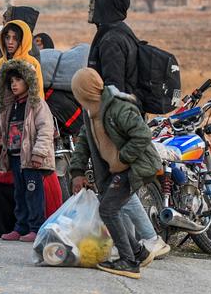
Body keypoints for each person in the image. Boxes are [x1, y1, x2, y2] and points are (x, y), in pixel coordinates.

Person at [87, 0, 170, 258]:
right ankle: (139, 241)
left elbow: (113, 87)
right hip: (122, 118)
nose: (92, 5)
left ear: (106, 4)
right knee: (117, 186)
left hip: (117, 122)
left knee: (117, 185)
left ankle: (147, 239)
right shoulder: (117, 33)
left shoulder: (111, 39)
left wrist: (107, 124)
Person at [69, 68, 161, 279]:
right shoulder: (90, 112)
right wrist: (77, 171)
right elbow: (84, 141)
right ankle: (138, 252)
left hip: (133, 167)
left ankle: (129, 262)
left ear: (84, 91)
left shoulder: (119, 107)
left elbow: (142, 135)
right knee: (110, 208)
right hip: (114, 169)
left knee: (108, 209)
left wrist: (122, 159)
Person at [0, 59, 56, 242]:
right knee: (19, 193)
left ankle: (36, 228)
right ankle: (20, 227)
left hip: (31, 159)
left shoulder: (37, 105)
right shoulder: (10, 106)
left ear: (28, 81)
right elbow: (1, 131)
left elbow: (45, 129)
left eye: (18, 80)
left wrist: (38, 153)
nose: (14, 85)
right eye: (11, 81)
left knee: (33, 192)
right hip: (14, 157)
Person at [0, 136, 62, 239]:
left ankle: (30, 228)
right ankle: (8, 228)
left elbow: (16, 177)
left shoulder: (24, 147)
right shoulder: (4, 149)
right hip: (26, 190)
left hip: (40, 196)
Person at [0, 19, 44, 114]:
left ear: (23, 40)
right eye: (7, 37)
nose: (10, 42)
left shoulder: (31, 62)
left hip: (24, 117)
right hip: (1, 117)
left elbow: (38, 94)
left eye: (15, 38)